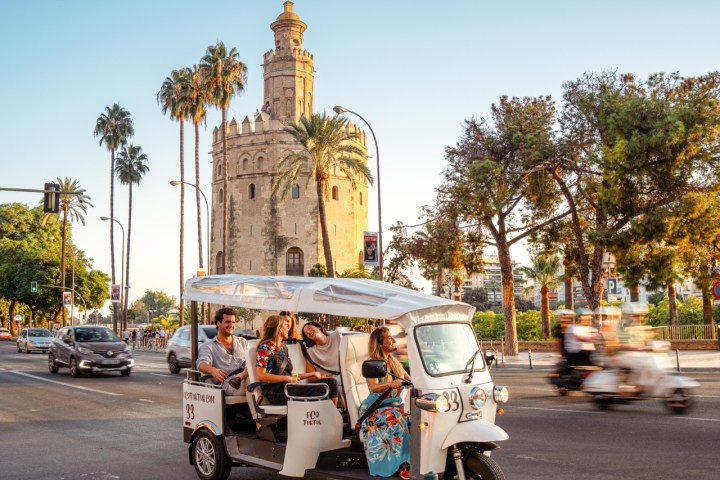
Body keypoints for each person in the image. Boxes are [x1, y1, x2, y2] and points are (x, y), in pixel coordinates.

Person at [358, 327, 411, 479]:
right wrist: (390, 384)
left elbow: (409, 380)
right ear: (380, 343)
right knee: (396, 419)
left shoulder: (394, 362)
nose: (393, 340)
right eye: (389, 338)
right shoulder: (373, 364)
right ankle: (402, 464)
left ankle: (414, 459)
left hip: (394, 405)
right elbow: (373, 387)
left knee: (416, 417)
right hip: (376, 407)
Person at [255, 315, 338, 406]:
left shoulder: (283, 348)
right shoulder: (265, 347)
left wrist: (312, 374)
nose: (288, 329)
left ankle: (331, 416)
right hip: (277, 393)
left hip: (290, 388)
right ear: (279, 328)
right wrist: (287, 378)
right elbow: (261, 375)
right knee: (322, 389)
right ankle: (325, 417)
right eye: (286, 326)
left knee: (331, 382)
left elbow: (290, 375)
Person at [197, 307, 250, 395]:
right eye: (228, 322)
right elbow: (201, 364)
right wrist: (213, 370)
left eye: (233, 322)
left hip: (244, 378)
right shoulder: (208, 346)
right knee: (253, 382)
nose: (231, 325)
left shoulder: (242, 342)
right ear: (218, 323)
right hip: (227, 385)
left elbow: (251, 362)